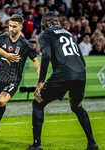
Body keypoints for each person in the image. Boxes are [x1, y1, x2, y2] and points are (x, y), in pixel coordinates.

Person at [27, 12, 98, 150]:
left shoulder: (45, 34)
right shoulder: (68, 33)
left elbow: (46, 56)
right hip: (80, 73)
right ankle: (92, 143)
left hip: (63, 73)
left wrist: (41, 81)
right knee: (77, 107)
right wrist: (74, 78)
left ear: (45, 24)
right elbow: (81, 59)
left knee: (38, 103)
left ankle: (37, 145)